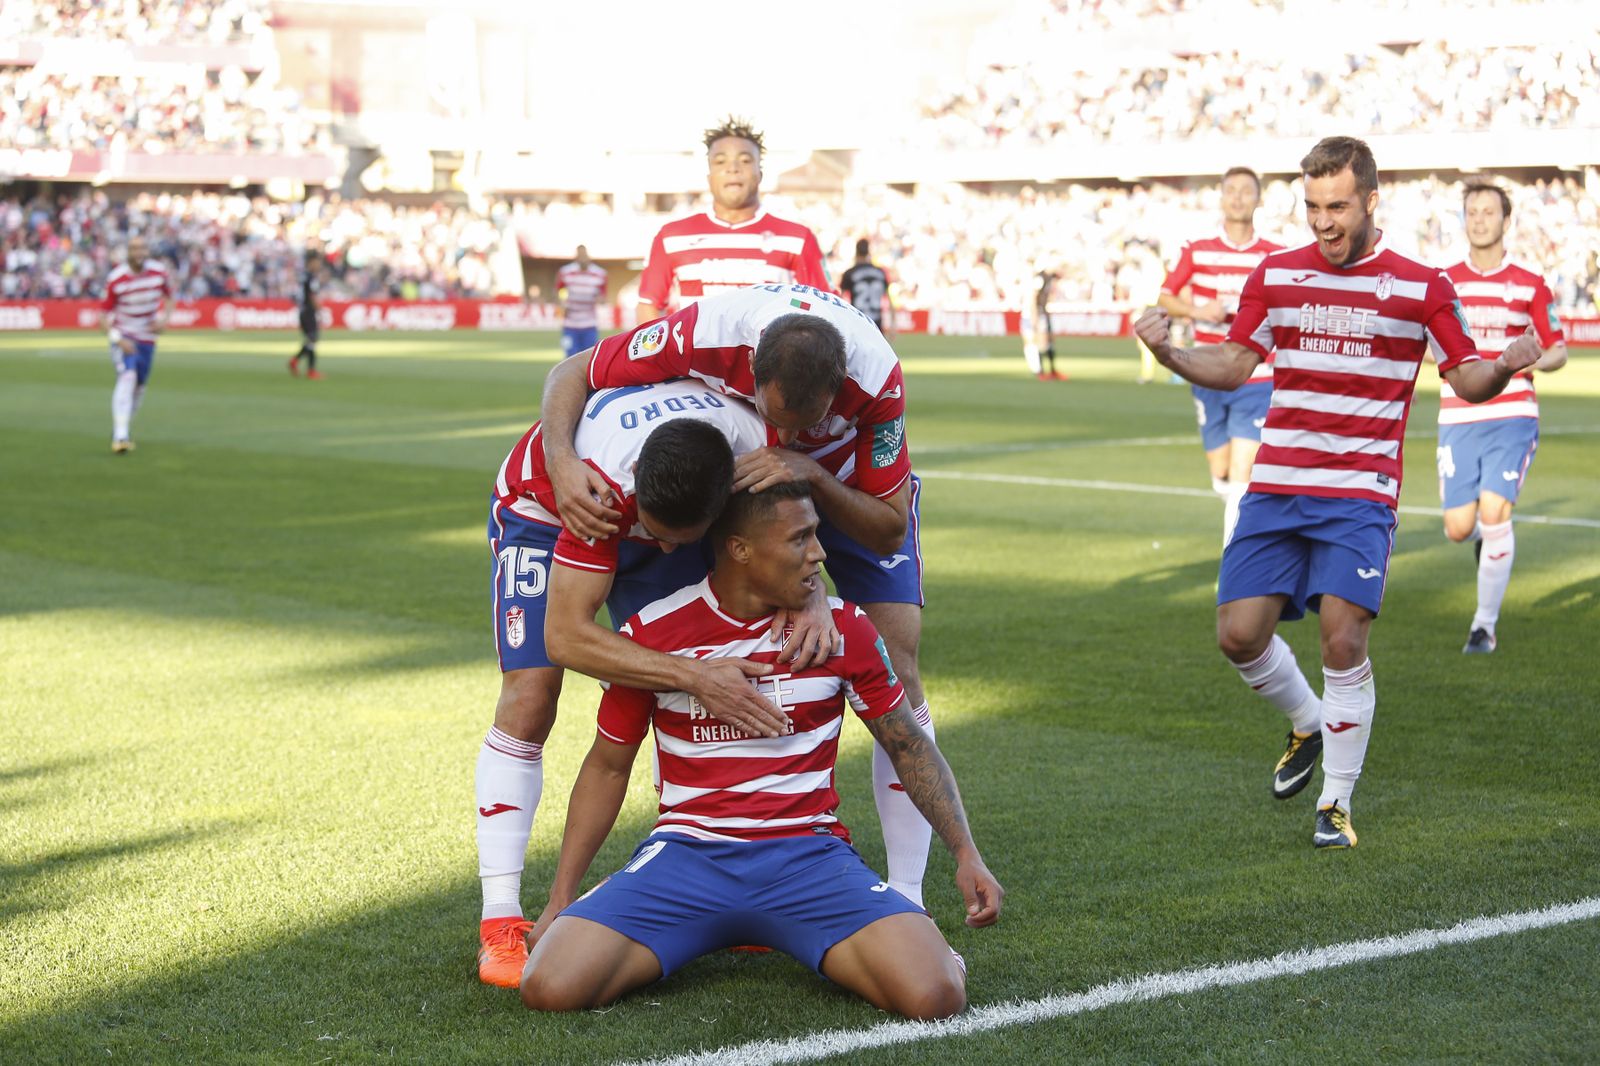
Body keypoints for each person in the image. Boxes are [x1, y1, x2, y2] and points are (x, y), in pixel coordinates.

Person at [1134, 137, 1541, 850]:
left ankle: (1336, 804)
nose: (1323, 222)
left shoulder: (1421, 285)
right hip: (1279, 487)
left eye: (1339, 207)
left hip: (1360, 494)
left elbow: (1467, 377)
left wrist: (1505, 364)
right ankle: (1309, 721)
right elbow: (1232, 364)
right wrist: (1168, 351)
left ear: (1372, 200)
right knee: (1237, 635)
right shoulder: (1277, 274)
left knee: (1342, 637)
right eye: (1313, 206)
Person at [520, 481, 1003, 1018]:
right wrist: (560, 894)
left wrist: (965, 851)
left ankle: (919, 944)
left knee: (936, 996)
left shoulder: (844, 629)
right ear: (740, 549)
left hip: (808, 859)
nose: (819, 552)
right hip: (686, 858)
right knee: (549, 985)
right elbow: (608, 768)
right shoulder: (652, 633)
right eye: (801, 538)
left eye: (816, 534)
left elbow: (908, 744)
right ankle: (650, 910)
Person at [541, 285, 942, 909]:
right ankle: (697, 845)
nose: (781, 430)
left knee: (897, 656)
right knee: (699, 642)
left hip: (843, 484)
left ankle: (910, 890)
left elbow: (888, 524)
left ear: (838, 391)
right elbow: (576, 370)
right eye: (772, 413)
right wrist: (561, 459)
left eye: (800, 424)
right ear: (749, 367)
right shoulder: (708, 331)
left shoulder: (878, 377)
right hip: (748, 490)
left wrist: (809, 473)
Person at [474, 380, 838, 988]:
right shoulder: (606, 486)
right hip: (551, 507)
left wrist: (815, 597)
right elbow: (568, 636)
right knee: (532, 695)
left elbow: (794, 542)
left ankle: (720, 879)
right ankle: (501, 919)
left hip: (673, 491)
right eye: (660, 534)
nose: (667, 551)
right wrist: (693, 674)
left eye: (680, 541)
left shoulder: (752, 455)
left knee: (738, 643)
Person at [1436, 182, 1567, 654]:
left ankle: (1483, 627)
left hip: (1512, 413)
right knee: (1457, 527)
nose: (1479, 219)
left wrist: (1521, 363)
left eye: (1488, 211)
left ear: (1505, 220)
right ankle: (1487, 542)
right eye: (1472, 211)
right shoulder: (1444, 282)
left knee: (1494, 513)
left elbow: (1557, 351)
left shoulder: (1530, 283)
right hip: (1457, 413)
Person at [1158, 168, 1284, 544]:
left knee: (1242, 478)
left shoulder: (1275, 255)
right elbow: (1165, 296)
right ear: (1221, 198)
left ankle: (1233, 565)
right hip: (1207, 372)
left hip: (1257, 376)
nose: (1239, 198)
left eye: (1247, 191)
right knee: (1222, 473)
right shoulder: (1198, 249)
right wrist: (1199, 311)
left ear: (1258, 199)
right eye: (1232, 191)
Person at [635, 116, 829, 323]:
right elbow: (648, 306)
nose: (733, 168)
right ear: (709, 176)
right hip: (697, 356)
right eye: (720, 161)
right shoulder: (671, 237)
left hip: (768, 356)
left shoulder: (797, 238)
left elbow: (825, 307)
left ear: (760, 174)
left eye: (745, 160)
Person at [102, 235, 172, 454]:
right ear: (128, 252)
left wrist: (164, 319)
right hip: (125, 336)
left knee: (139, 386)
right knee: (128, 376)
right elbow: (103, 315)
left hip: (147, 338)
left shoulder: (158, 272)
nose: (138, 252)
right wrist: (118, 339)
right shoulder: (117, 278)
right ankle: (120, 434)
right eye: (134, 249)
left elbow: (170, 297)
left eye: (142, 248)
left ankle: (122, 428)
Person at [554, 245, 607, 358]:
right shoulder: (566, 272)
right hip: (570, 324)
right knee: (570, 358)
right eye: (580, 255)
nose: (583, 258)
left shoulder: (600, 273)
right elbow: (558, 291)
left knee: (589, 358)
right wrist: (562, 304)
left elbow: (603, 296)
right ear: (576, 257)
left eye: (584, 255)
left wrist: (599, 299)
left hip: (589, 323)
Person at [839, 237, 895, 339]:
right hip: (876, 324)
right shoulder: (880, 272)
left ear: (856, 252)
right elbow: (890, 301)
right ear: (868, 251)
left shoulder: (849, 273)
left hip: (858, 322)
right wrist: (893, 326)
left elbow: (840, 300)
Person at [288, 251, 323, 379]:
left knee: (311, 339)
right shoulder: (311, 277)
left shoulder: (303, 276)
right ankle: (310, 370)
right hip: (308, 311)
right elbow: (312, 295)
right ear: (311, 262)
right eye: (317, 261)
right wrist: (319, 308)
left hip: (303, 311)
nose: (319, 264)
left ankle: (297, 362)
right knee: (313, 338)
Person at [1023, 269, 1062, 381]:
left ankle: (1049, 371)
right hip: (1034, 314)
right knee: (1038, 342)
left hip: (1040, 313)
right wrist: (1035, 317)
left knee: (1046, 342)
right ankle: (1040, 371)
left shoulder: (1047, 278)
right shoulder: (1039, 279)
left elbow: (1042, 299)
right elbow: (1033, 299)